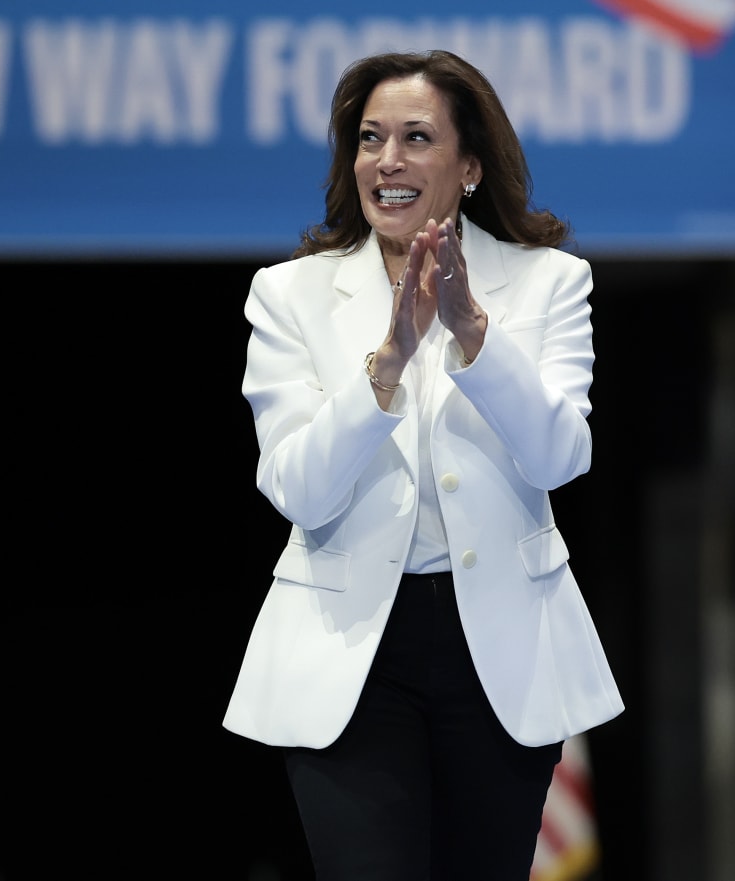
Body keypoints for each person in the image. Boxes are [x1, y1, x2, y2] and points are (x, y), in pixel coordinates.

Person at [221, 49, 625, 881]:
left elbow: (560, 455)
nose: (388, 161)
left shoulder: (549, 283)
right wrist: (389, 363)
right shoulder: (288, 295)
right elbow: (297, 487)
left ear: (470, 164)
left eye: (415, 137)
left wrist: (474, 333)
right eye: (370, 139)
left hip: (500, 652)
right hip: (351, 653)